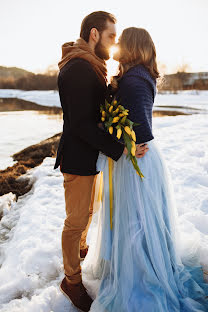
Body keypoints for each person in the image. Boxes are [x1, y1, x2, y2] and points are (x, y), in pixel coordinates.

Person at [82, 27, 208, 311]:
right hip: (132, 157)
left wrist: (116, 139)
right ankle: (135, 263)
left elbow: (140, 128)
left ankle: (142, 274)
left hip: (137, 158)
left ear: (131, 47)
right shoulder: (135, 75)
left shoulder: (136, 80)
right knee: (134, 218)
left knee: (137, 221)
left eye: (122, 42)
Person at [54, 12, 148, 312]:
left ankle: (81, 249)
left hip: (87, 154)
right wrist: (120, 150)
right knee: (76, 220)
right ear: (94, 34)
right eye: (111, 37)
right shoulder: (79, 68)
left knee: (87, 212)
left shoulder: (89, 65)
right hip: (78, 156)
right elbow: (82, 123)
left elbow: (94, 107)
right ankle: (71, 281)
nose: (114, 43)